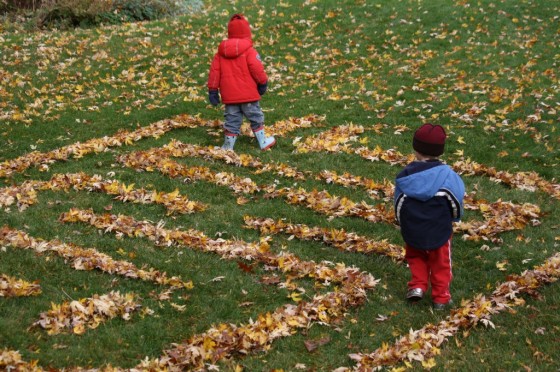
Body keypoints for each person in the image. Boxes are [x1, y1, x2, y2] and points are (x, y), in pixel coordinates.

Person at [394, 123, 465, 310]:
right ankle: (441, 297)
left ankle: (417, 285)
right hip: (439, 229)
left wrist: (402, 222)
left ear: (415, 149)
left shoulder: (405, 177)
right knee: (441, 262)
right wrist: (455, 218)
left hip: (413, 227)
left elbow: (399, 203)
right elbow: (455, 201)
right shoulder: (449, 177)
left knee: (415, 255)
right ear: (440, 151)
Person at [207, 13, 276, 151]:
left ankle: (227, 147)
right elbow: (257, 69)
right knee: (255, 117)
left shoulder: (220, 53)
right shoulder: (250, 51)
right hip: (249, 94)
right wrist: (262, 83)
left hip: (230, 97)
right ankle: (262, 141)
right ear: (247, 32)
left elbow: (214, 73)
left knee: (231, 120)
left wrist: (213, 90)